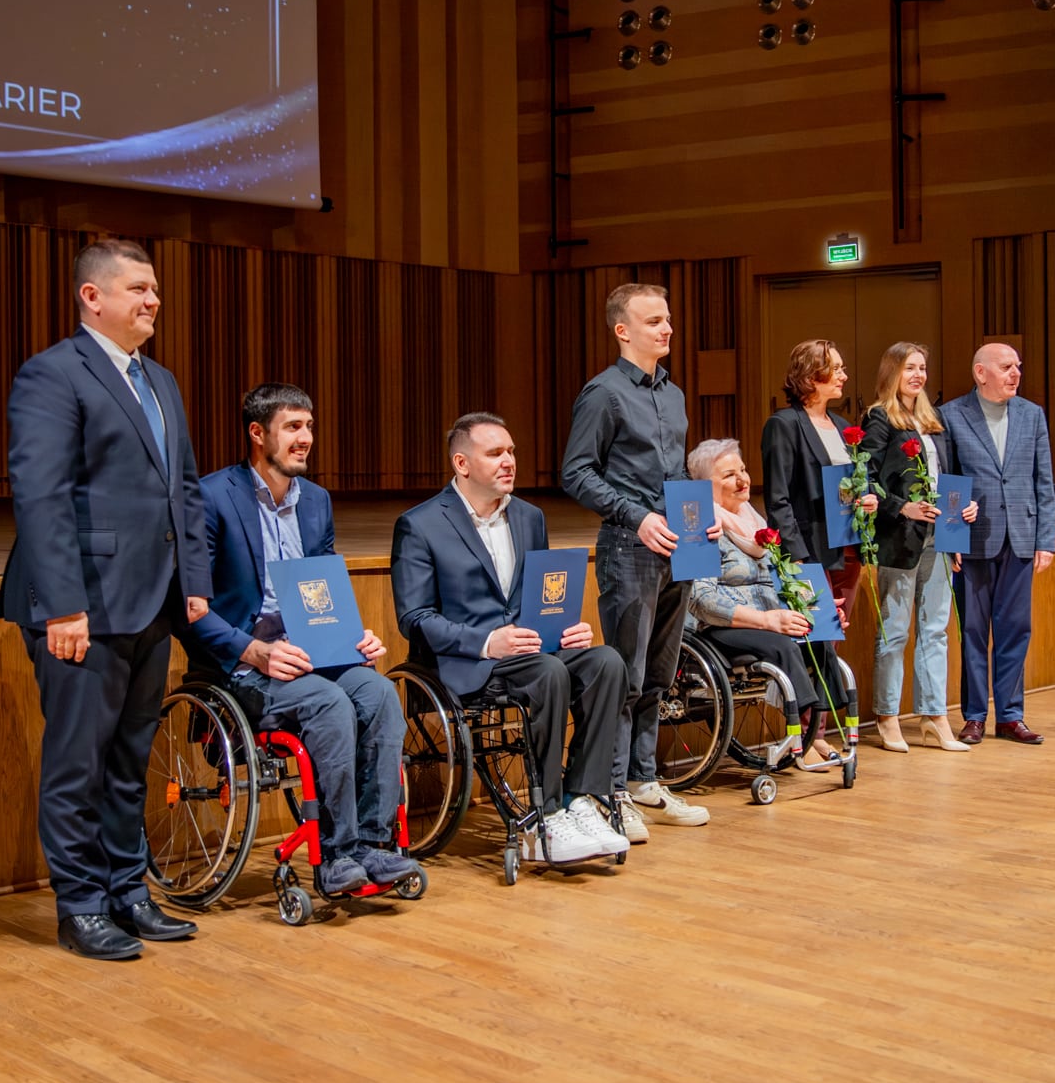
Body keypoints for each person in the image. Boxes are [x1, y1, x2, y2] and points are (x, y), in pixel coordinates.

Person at [0, 238, 211, 960]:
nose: (153, 300)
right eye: (139, 288)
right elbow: (42, 495)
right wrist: (62, 605)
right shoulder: (53, 374)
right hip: (81, 606)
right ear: (93, 297)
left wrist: (197, 587)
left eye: (156, 290)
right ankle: (81, 904)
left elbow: (183, 488)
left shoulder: (162, 381)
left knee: (128, 760)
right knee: (77, 763)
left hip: (151, 602)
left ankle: (128, 891)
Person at [181, 383, 418, 889]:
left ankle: (374, 844)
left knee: (377, 693)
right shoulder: (211, 497)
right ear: (256, 432)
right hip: (245, 663)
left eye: (309, 425)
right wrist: (254, 650)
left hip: (312, 653)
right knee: (329, 703)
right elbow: (189, 610)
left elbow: (323, 592)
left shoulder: (315, 501)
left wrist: (354, 636)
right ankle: (336, 854)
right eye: (293, 426)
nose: (306, 437)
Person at [390, 413, 629, 865]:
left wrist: (565, 628)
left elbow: (539, 598)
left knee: (605, 662)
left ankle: (583, 797)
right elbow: (414, 618)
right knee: (549, 671)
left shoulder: (529, 517)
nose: (509, 462)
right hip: (464, 662)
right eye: (495, 453)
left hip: (527, 653)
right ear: (462, 463)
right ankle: (547, 815)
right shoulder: (420, 525)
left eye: (512, 452)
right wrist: (486, 642)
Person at [560, 283, 712, 836]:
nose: (666, 329)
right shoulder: (603, 393)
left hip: (682, 543)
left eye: (667, 319)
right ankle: (612, 788)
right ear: (623, 330)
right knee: (625, 671)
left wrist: (703, 515)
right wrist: (636, 516)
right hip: (631, 545)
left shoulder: (673, 393)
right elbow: (575, 472)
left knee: (660, 671)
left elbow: (675, 475)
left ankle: (645, 780)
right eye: (653, 322)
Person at [684, 438, 849, 768]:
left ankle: (815, 731)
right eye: (729, 475)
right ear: (705, 485)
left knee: (818, 638)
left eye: (743, 470)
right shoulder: (697, 523)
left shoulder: (754, 522)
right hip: (720, 628)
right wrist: (768, 621)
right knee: (783, 645)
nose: (743, 479)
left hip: (766, 620)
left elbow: (779, 580)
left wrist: (817, 608)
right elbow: (701, 601)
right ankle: (799, 736)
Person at [760, 339, 880, 763]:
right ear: (813, 377)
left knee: (830, 642)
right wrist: (799, 560)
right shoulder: (784, 425)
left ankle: (821, 732)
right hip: (809, 553)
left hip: (846, 550)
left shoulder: (842, 423)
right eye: (837, 369)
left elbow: (848, 488)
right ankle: (807, 737)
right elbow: (778, 500)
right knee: (811, 643)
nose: (845, 375)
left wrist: (866, 499)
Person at [859, 341, 976, 752]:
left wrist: (963, 515)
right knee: (894, 631)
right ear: (892, 372)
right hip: (899, 539)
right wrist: (902, 507)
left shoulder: (932, 418)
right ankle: (888, 716)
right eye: (910, 368)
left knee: (935, 630)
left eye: (922, 368)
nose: (918, 375)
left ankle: (934, 717)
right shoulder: (879, 418)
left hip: (940, 538)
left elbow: (949, 476)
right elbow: (864, 478)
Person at [938, 343, 1055, 744]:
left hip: (1020, 537)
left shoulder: (1032, 415)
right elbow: (948, 481)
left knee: (1015, 629)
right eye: (1006, 367)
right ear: (980, 373)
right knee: (972, 630)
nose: (1015, 373)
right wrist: (950, 536)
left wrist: (1047, 539)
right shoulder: (952, 416)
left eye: (1018, 367)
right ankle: (974, 715)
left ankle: (1010, 715)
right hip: (971, 542)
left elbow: (1044, 482)